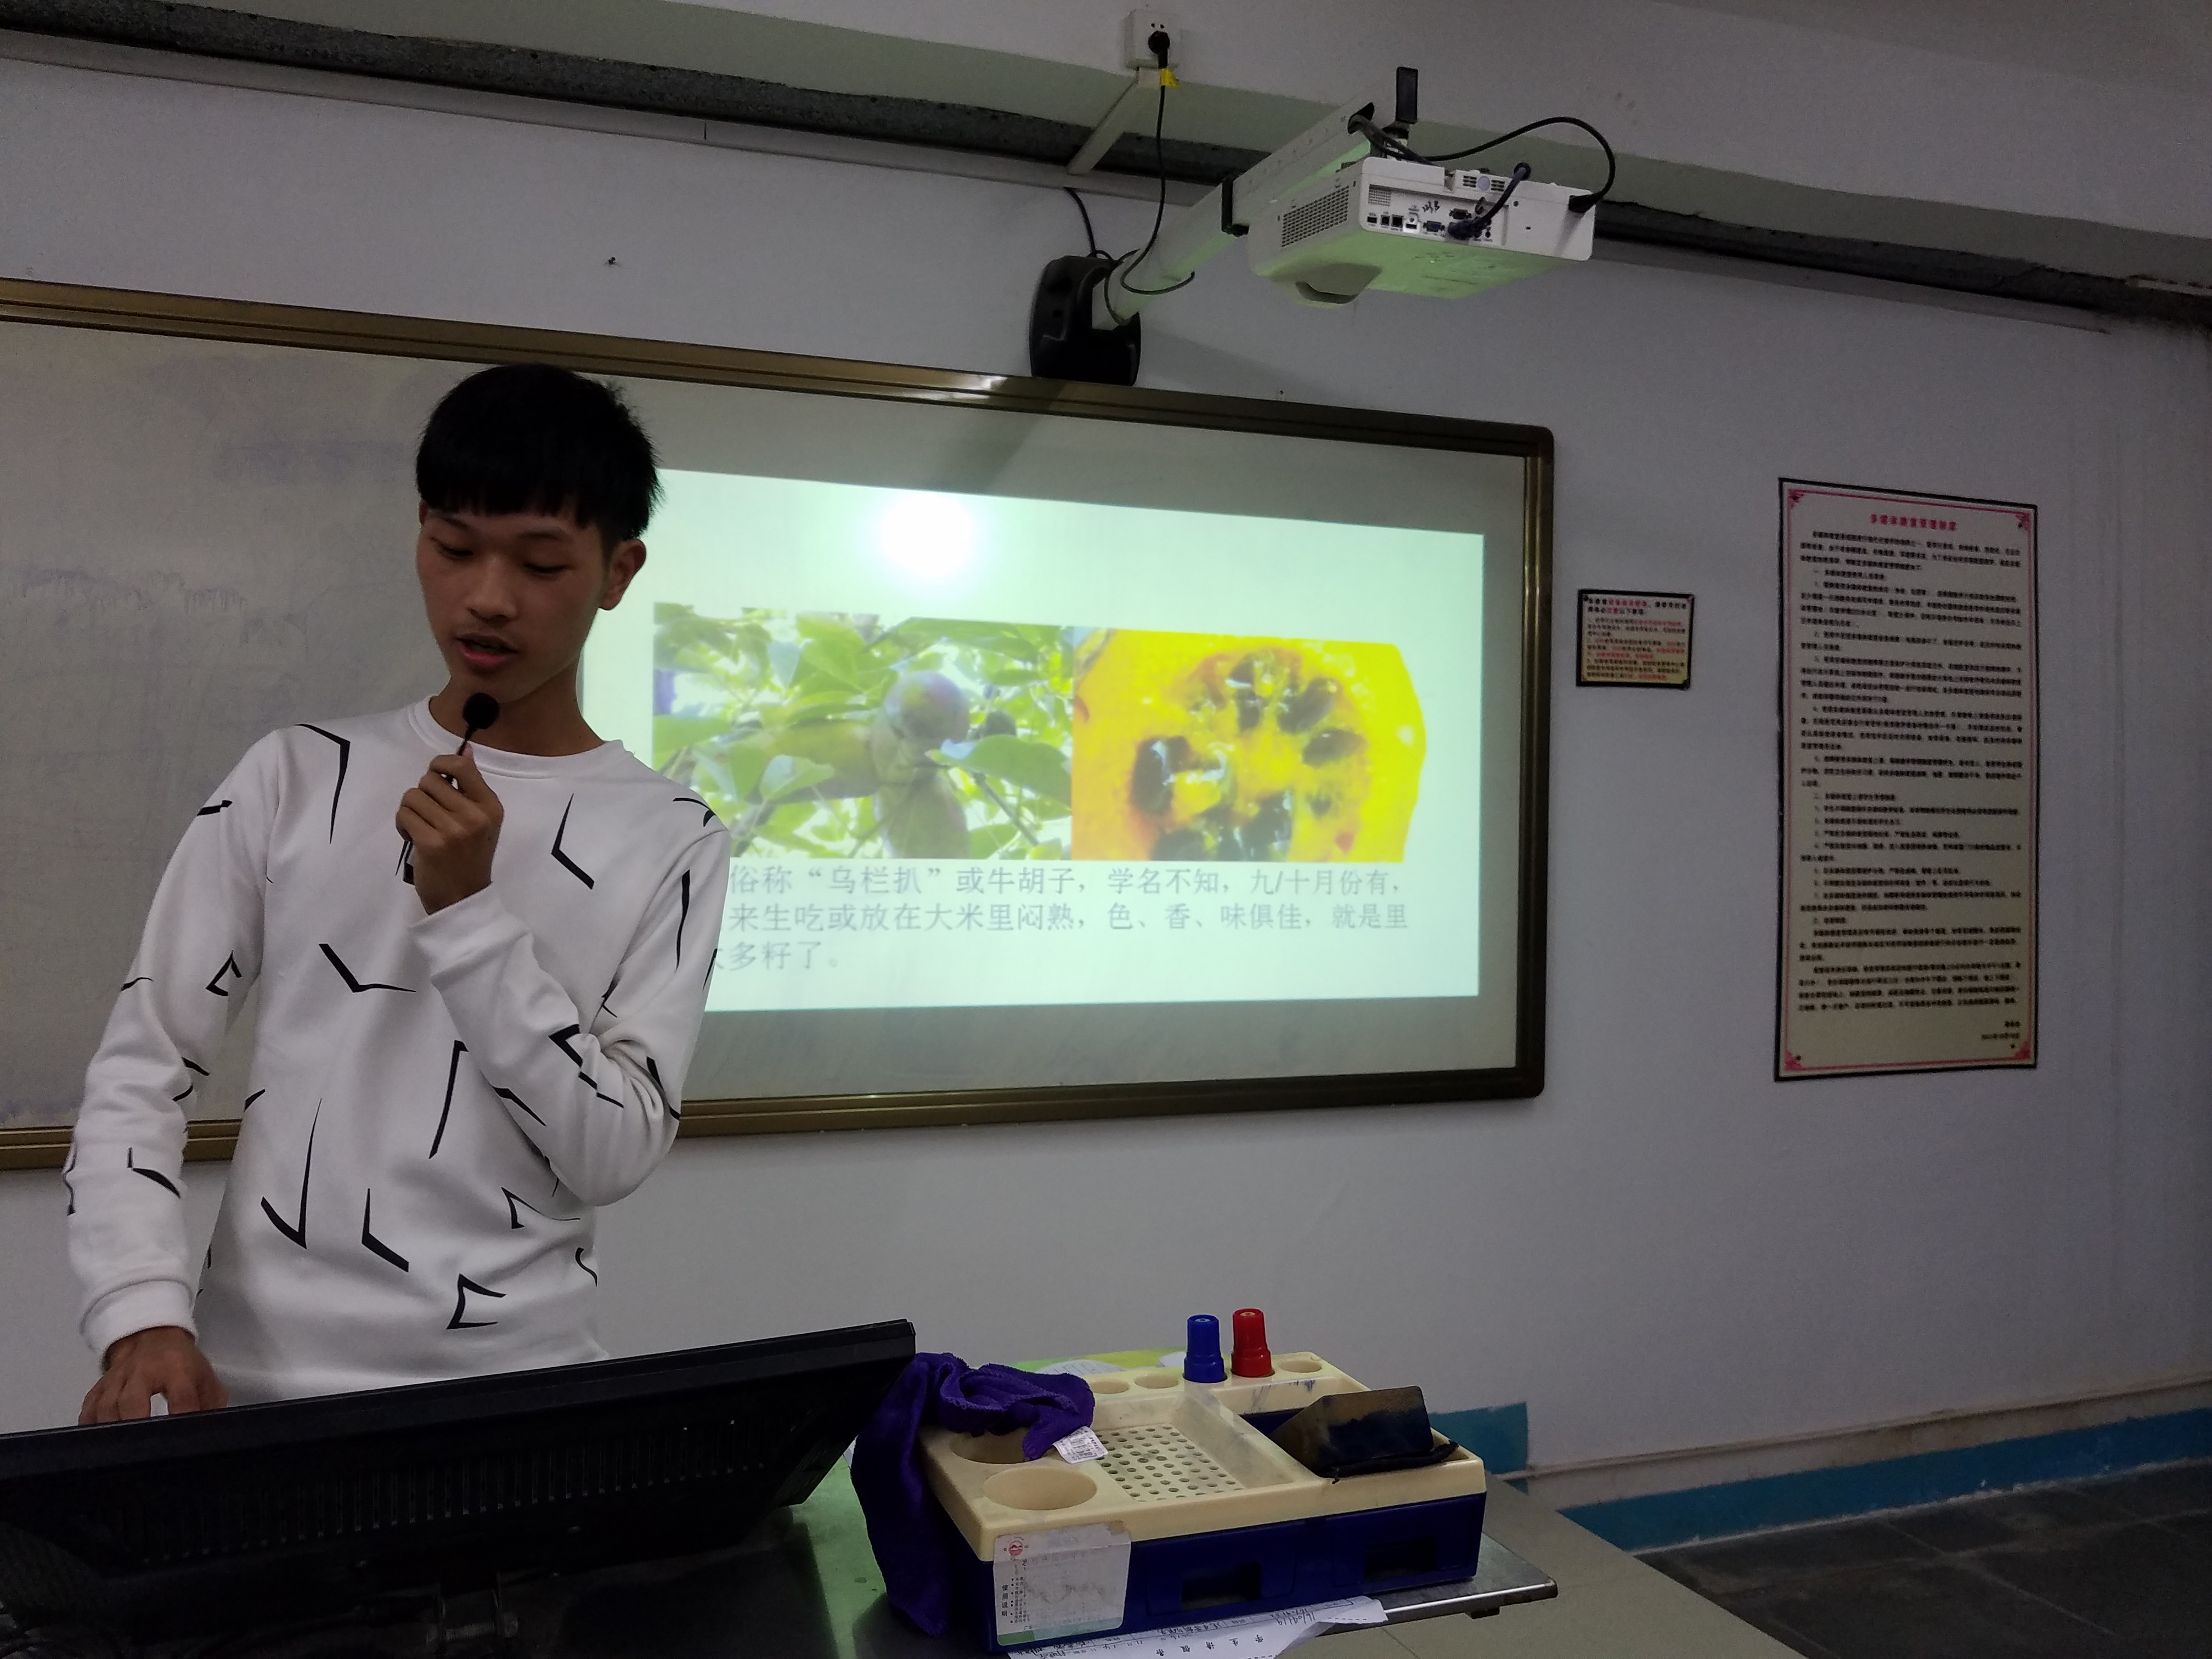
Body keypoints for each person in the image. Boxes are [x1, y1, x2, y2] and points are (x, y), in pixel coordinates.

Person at [67, 365, 729, 1421]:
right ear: (421, 533)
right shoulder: (294, 775)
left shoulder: (672, 835)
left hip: (525, 1399)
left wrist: (469, 915)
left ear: (619, 571)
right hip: (258, 1390)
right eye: (455, 548)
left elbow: (612, 1151)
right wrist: (141, 1311)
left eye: (541, 563)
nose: (488, 597)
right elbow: (143, 1065)